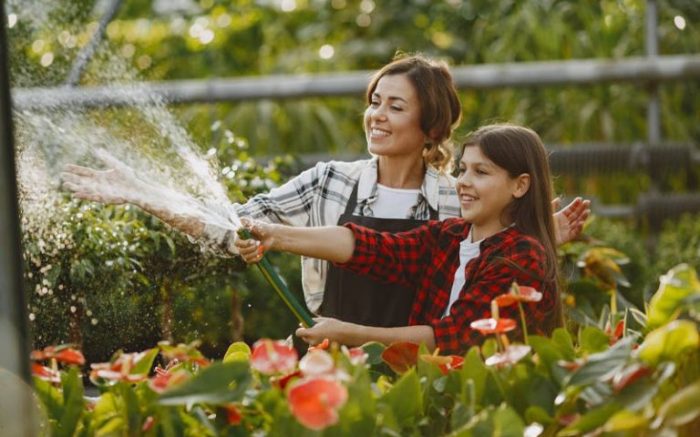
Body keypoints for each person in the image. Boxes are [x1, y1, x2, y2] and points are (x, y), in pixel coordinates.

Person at [61, 54, 589, 330]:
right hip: (328, 357)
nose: (376, 116)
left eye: (395, 107)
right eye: (374, 101)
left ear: (430, 127)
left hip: (415, 366)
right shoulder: (329, 182)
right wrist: (141, 193)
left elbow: (492, 263)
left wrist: (546, 239)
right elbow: (232, 224)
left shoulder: (457, 201)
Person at [236, 123, 561, 355]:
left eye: (481, 172)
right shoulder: (449, 236)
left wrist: (350, 334)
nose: (463, 182)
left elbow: (452, 338)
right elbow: (374, 249)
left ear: (520, 186)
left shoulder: (522, 255)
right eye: (462, 170)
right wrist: (275, 235)